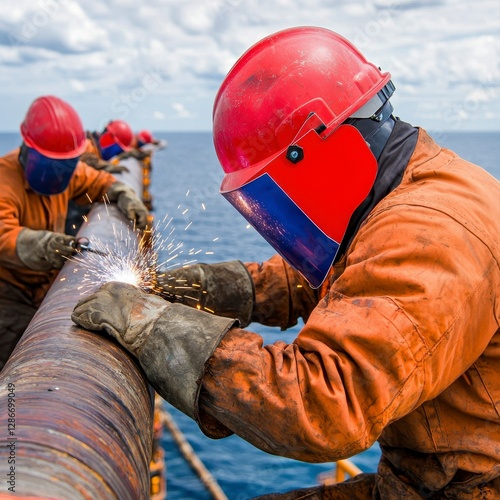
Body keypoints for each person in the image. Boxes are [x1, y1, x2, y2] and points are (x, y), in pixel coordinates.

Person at [71, 27, 500, 498]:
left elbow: (323, 403)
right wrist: (196, 288)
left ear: (316, 153)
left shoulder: (431, 232)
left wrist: (156, 329)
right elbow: (335, 280)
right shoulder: (405, 186)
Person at [0, 95, 149, 370]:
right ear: (27, 149)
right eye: (52, 166)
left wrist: (124, 194)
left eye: (65, 167)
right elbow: (4, 237)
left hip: (43, 286)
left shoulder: (70, 172)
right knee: (15, 366)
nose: (59, 175)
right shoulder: (4, 180)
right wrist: (46, 245)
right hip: (8, 293)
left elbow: (100, 180)